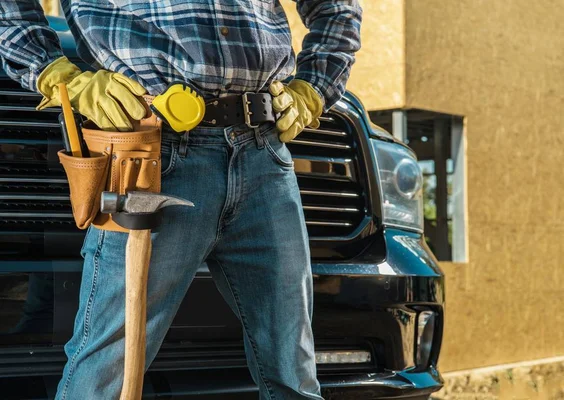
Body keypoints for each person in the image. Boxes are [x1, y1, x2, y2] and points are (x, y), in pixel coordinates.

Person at [0, 1, 362, 399]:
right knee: (110, 370)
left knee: (293, 374)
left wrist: (315, 85)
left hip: (264, 153)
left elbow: (336, 7)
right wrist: (54, 72)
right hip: (150, 155)